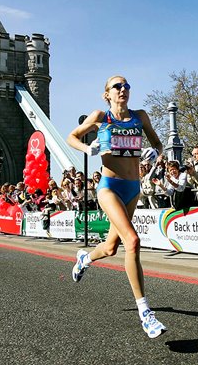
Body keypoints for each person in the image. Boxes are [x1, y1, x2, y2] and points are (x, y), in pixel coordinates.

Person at [67, 75, 166, 338]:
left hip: (133, 188)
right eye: (117, 86)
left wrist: (155, 153)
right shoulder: (101, 116)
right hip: (109, 187)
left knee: (111, 248)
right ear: (107, 94)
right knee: (132, 241)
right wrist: (89, 149)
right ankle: (145, 313)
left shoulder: (140, 116)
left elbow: (157, 143)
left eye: (126, 86)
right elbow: (71, 137)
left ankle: (85, 258)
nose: (123, 90)